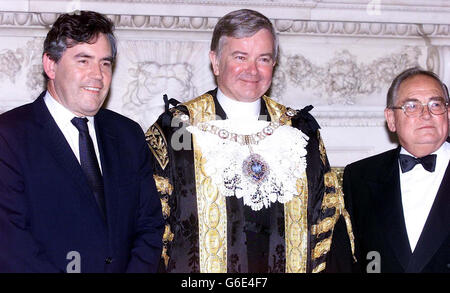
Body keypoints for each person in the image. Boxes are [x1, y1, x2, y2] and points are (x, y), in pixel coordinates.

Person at [146, 9, 355, 273]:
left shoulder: (301, 131)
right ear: (216, 61)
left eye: (263, 59)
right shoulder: (175, 130)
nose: (252, 71)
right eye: (240, 57)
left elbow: (328, 223)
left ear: (274, 64)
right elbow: (150, 230)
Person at [0, 10, 164, 273]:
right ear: (51, 65)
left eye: (105, 63)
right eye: (83, 61)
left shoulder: (128, 135)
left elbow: (149, 226)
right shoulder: (8, 136)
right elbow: (11, 244)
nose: (97, 75)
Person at [343, 67, 450, 273]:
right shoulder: (359, 177)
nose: (426, 114)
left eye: (435, 104)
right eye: (412, 106)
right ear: (391, 119)